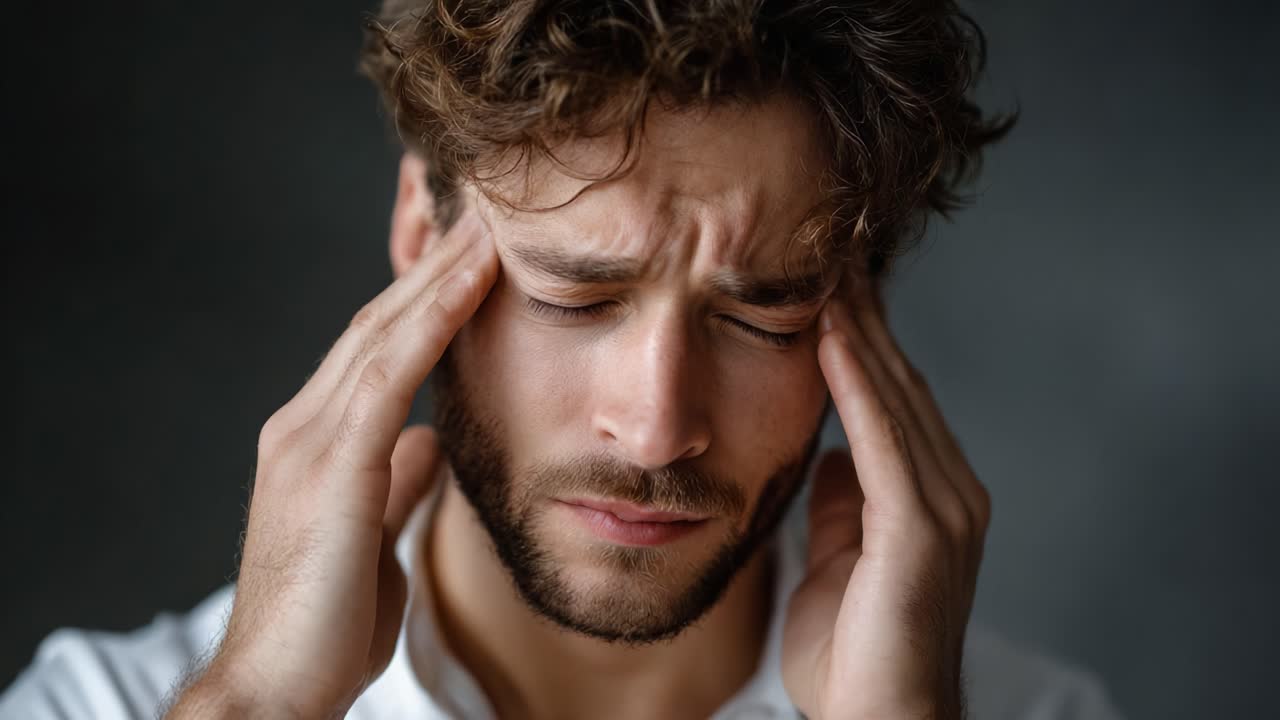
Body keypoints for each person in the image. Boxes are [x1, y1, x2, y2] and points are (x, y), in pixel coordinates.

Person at [2, 1, 1126, 718]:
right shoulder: (95, 707)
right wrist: (254, 711)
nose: (652, 428)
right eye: (572, 296)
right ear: (416, 232)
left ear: (862, 305)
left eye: (761, 319)